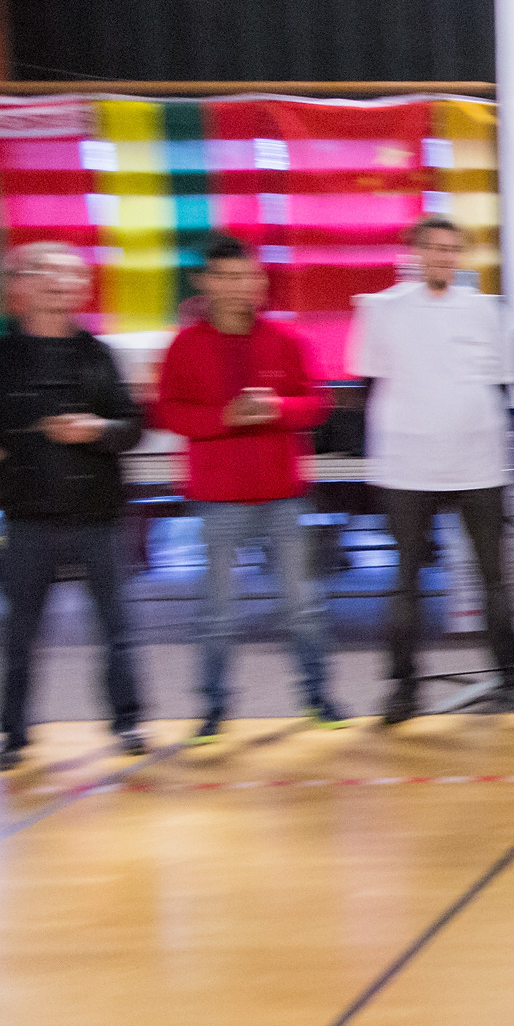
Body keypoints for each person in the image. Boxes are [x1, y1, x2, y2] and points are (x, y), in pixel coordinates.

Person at [156, 234, 343, 741]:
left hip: (283, 494)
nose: (242, 286)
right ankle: (214, 707)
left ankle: (317, 696)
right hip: (217, 498)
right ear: (206, 282)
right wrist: (225, 417)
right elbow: (170, 412)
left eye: (250, 276)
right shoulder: (185, 344)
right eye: (229, 276)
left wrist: (278, 408)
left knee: (303, 605)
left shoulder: (286, 339)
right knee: (217, 612)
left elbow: (318, 403)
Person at [351, 215, 514, 724]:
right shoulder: (382, 309)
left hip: (479, 463)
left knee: (494, 577)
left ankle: (512, 679)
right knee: (407, 578)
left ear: (459, 256)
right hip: (408, 466)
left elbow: (501, 387)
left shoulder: (487, 311)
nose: (442, 257)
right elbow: (368, 386)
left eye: (451, 249)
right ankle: (402, 688)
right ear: (416, 252)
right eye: (433, 247)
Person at [0, 242, 145, 765]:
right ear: (22, 285)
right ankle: (14, 733)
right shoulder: (5, 356)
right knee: (19, 635)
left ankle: (127, 722)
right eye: (48, 273)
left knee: (117, 630)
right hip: (29, 516)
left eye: (72, 275)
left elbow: (132, 427)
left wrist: (96, 429)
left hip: (98, 514)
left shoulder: (97, 353)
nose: (61, 283)